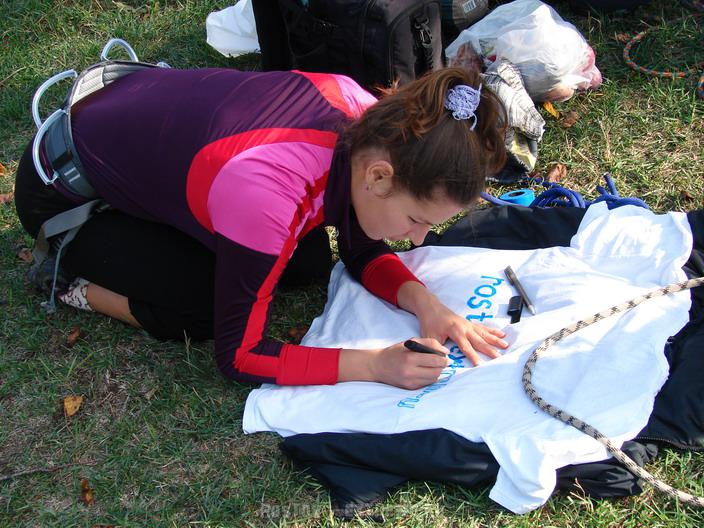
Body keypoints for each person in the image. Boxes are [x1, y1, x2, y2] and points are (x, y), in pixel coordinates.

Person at [14, 66, 509, 389]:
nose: (417, 239)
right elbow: (239, 356)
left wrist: (428, 306)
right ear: (379, 177)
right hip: (64, 193)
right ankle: (70, 282)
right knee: (203, 308)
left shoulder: (370, 119)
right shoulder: (268, 197)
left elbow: (359, 246)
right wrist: (373, 365)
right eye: (417, 220)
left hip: (119, 121)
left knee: (305, 261)